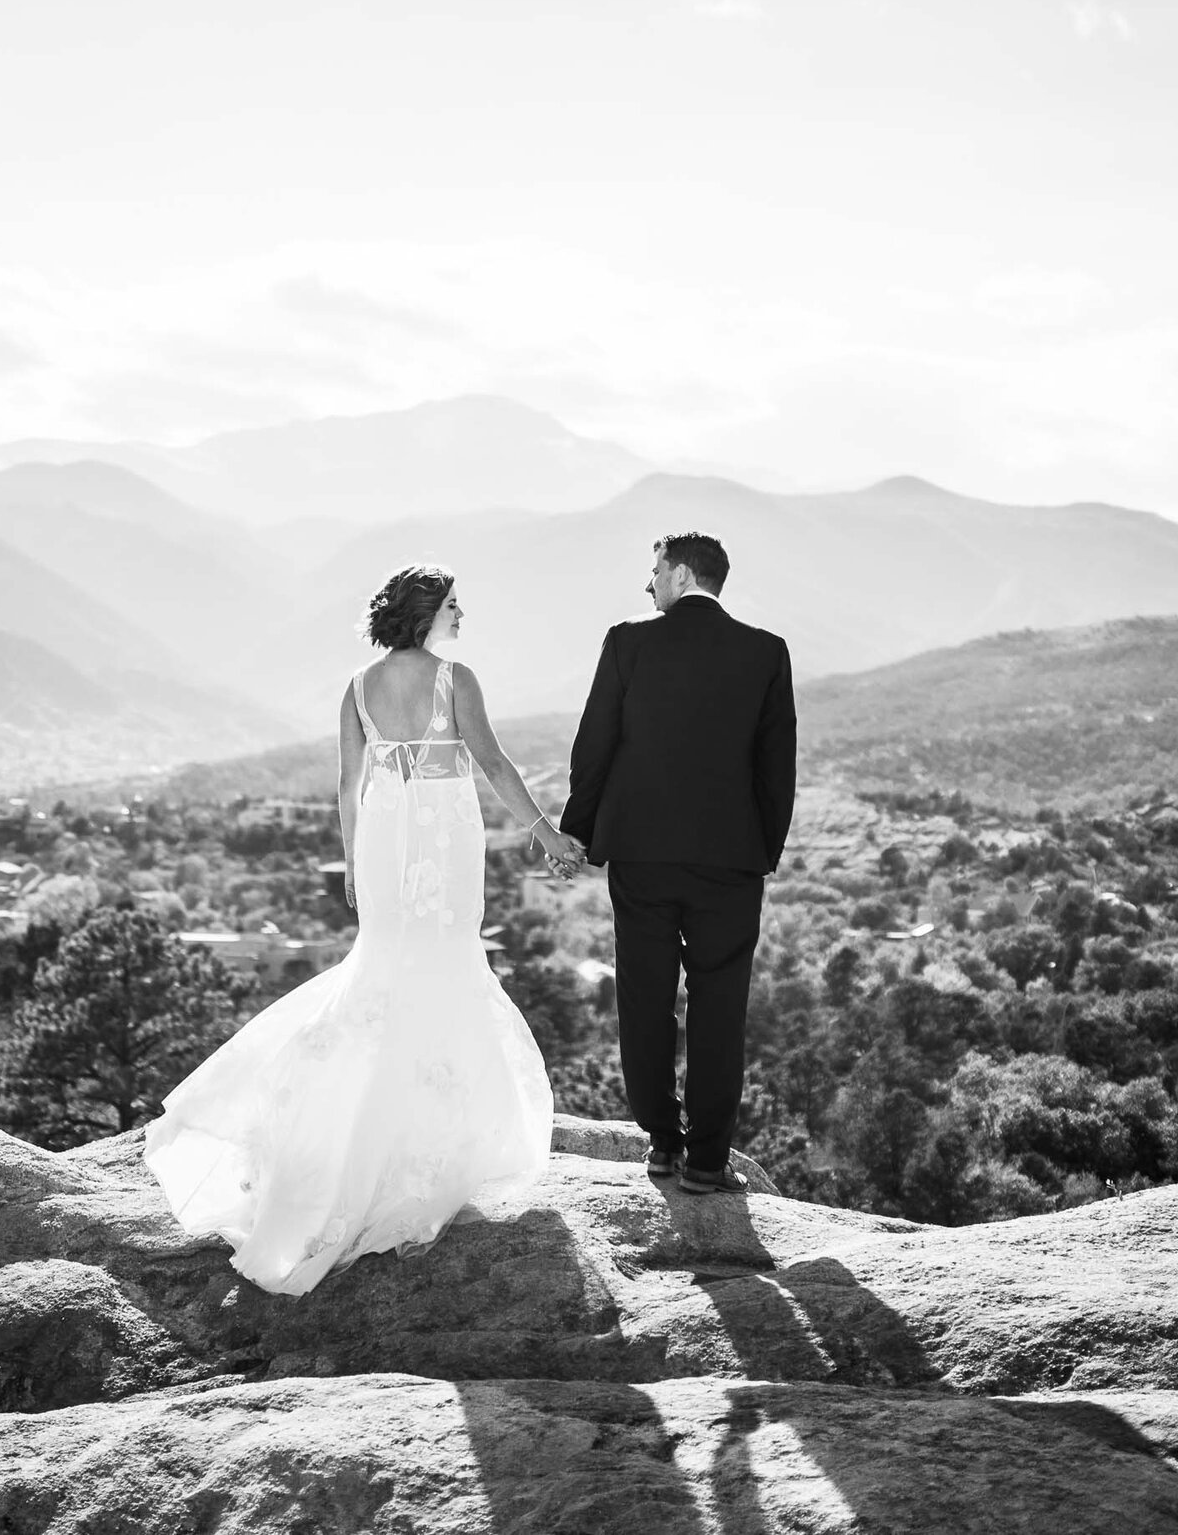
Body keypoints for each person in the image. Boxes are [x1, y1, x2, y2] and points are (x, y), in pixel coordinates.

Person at [145, 565, 580, 1295]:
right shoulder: (454, 678)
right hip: (442, 831)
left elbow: (349, 785)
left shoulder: (356, 686)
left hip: (383, 834)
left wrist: (352, 862)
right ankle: (422, 1145)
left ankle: (348, 1135)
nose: (461, 612)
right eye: (451, 603)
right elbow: (494, 763)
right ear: (424, 614)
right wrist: (545, 832)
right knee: (445, 964)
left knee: (383, 967)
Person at [560, 532, 796, 1195]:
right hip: (731, 861)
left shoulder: (627, 643)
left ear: (682, 573)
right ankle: (707, 1160)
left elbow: (594, 747)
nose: (648, 584)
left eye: (655, 571)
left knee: (644, 997)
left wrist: (579, 832)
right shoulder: (765, 651)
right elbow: (776, 770)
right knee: (721, 1006)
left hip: (640, 853)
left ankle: (663, 1142)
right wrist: (763, 853)